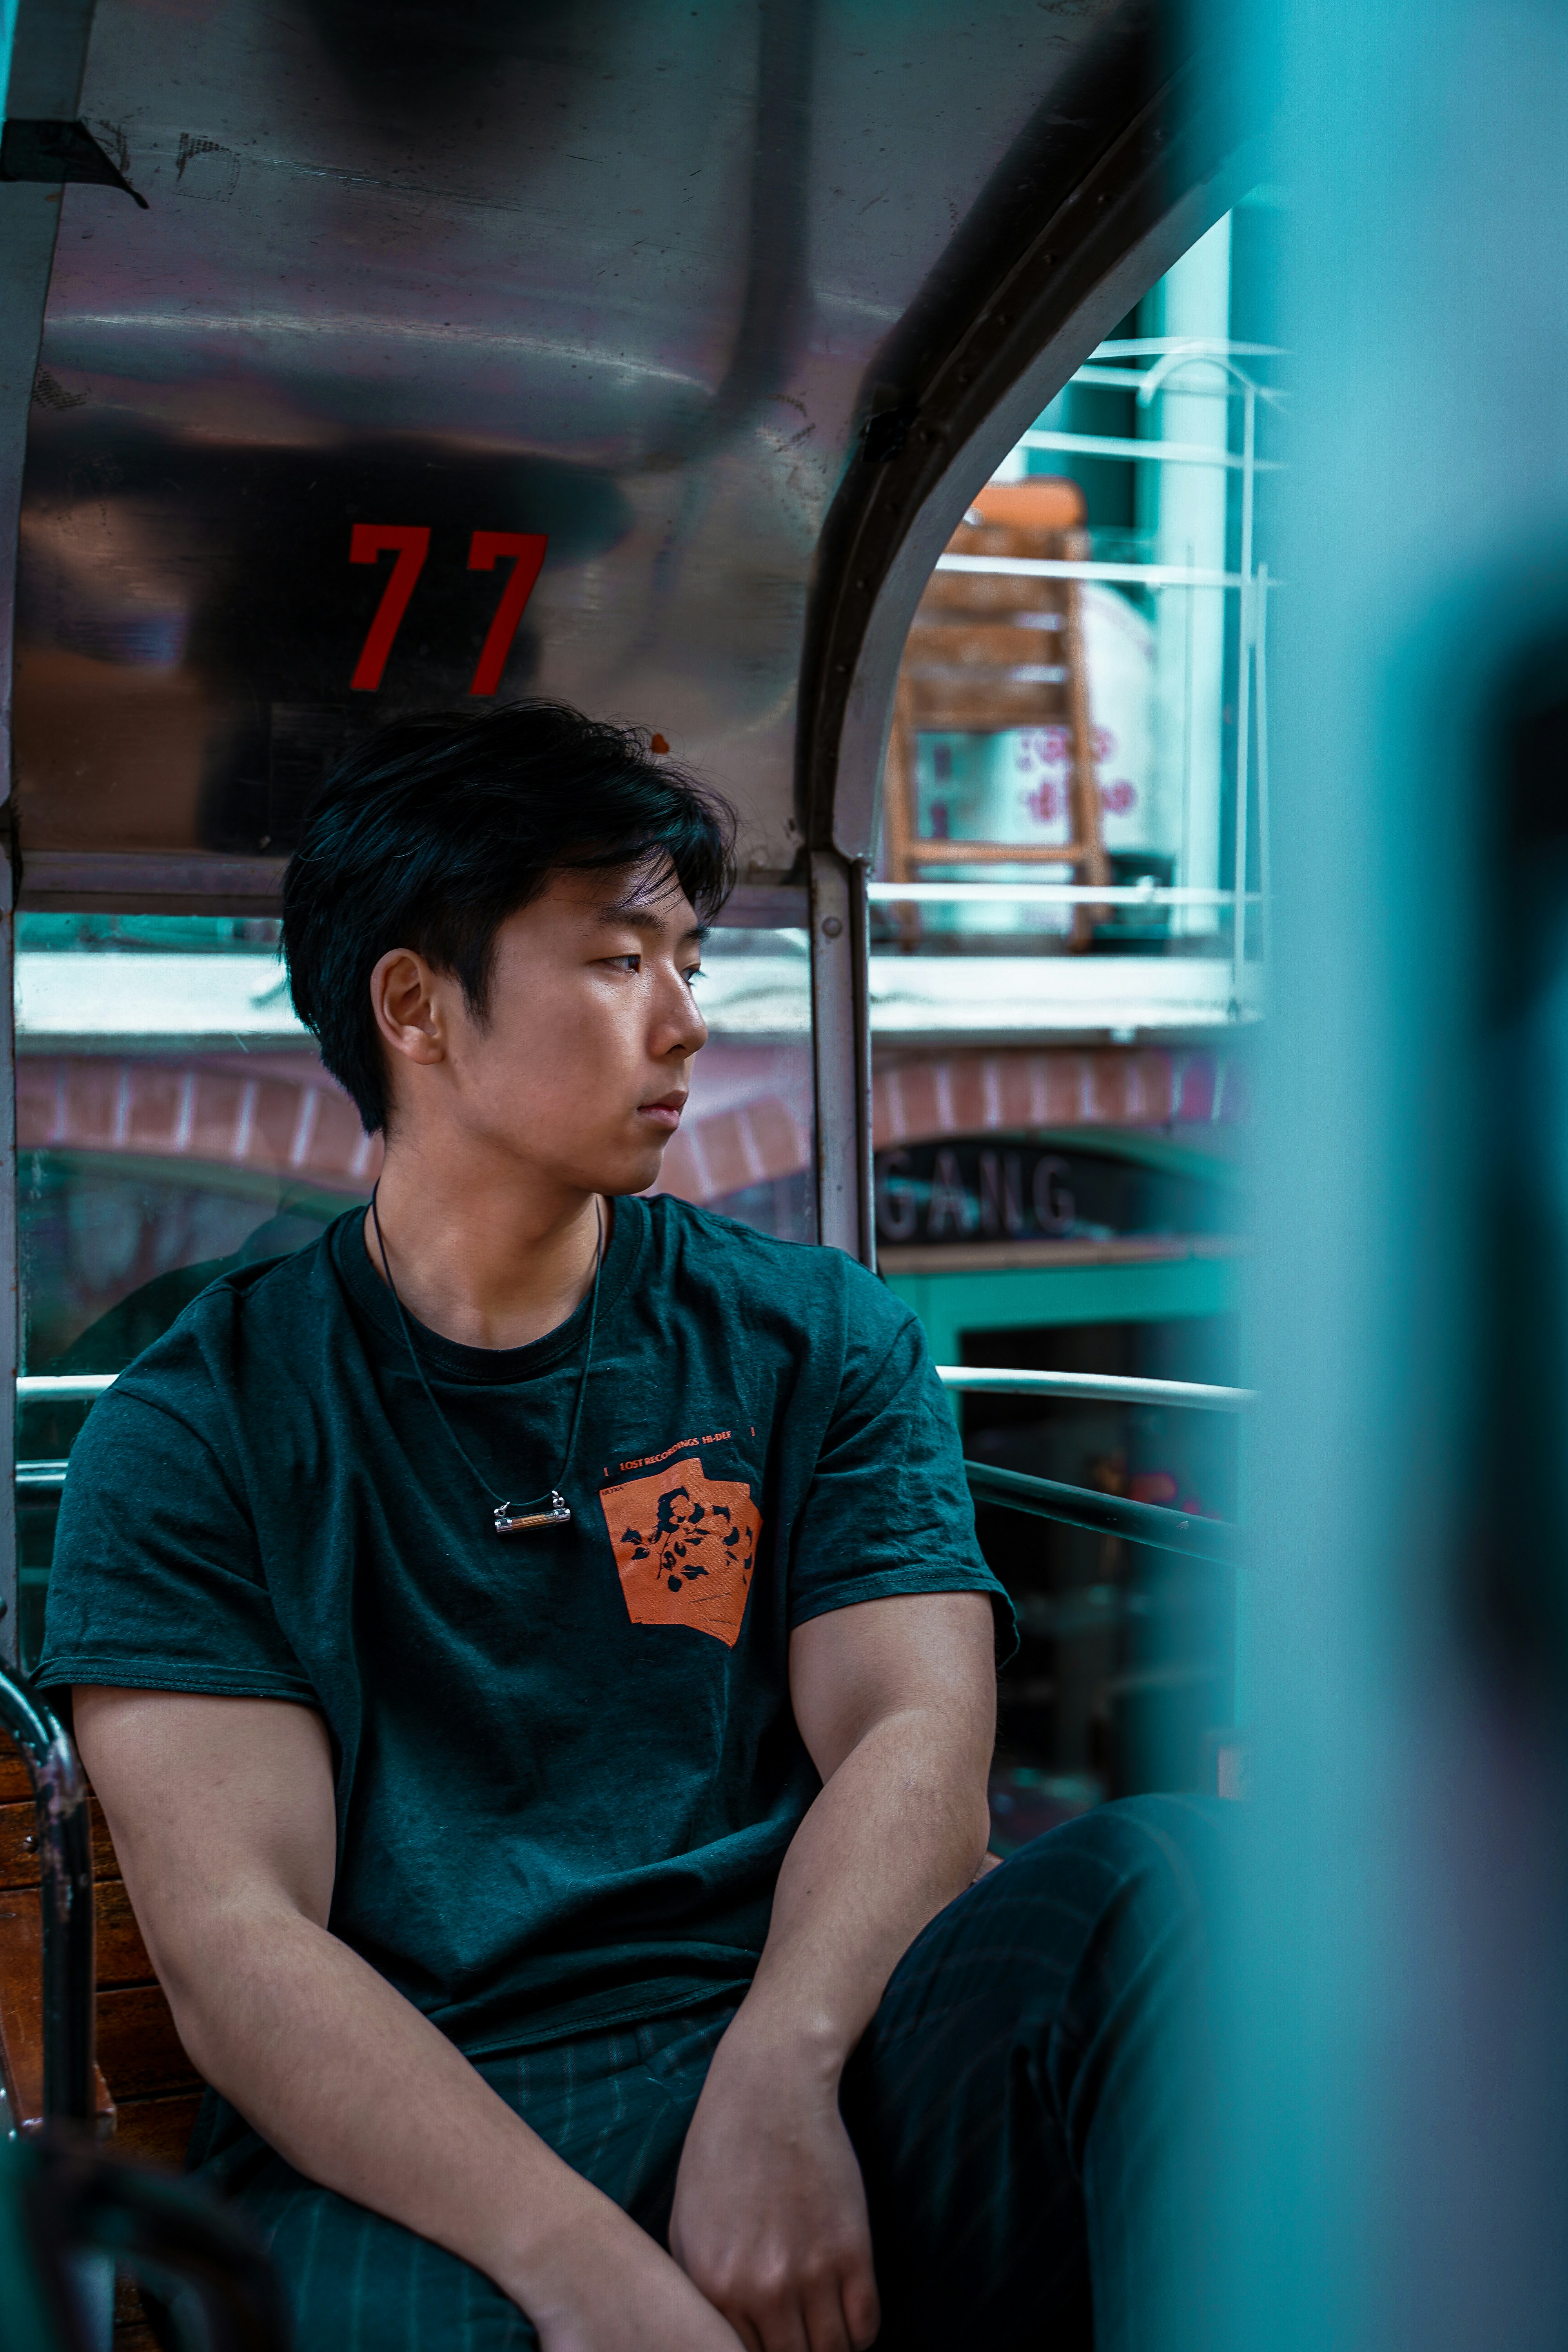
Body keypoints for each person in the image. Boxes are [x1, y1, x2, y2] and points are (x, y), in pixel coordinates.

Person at [36, 702, 1226, 2352]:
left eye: (690, 962)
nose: (683, 1024)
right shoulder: (200, 1429)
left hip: (804, 2041)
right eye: (617, 961)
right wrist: (594, 2276)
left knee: (1164, 1879)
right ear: (413, 1007)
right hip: (426, 2128)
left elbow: (919, 1735)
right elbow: (241, 1947)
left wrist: (784, 2074)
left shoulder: (813, 1336)